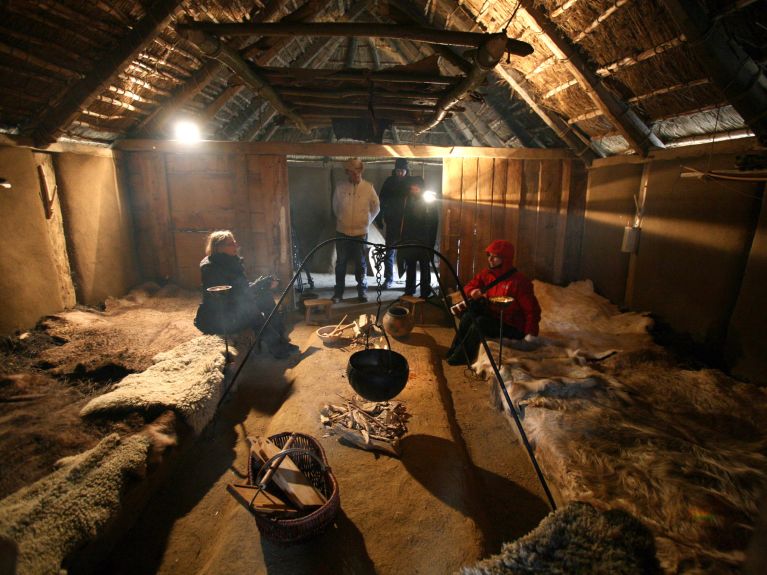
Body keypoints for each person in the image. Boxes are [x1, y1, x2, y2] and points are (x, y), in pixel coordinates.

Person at [194, 230, 298, 359]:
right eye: (230, 244)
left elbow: (240, 289)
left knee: (265, 297)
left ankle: (281, 340)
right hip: (221, 316)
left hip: (232, 307)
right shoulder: (212, 269)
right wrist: (259, 285)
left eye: (235, 242)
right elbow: (232, 297)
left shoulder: (230, 261)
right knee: (251, 311)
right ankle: (277, 348)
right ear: (219, 248)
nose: (236, 246)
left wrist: (261, 284)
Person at [446, 239, 541, 366]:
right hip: (494, 316)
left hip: (512, 325)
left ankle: (462, 357)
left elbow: (532, 311)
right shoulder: (487, 274)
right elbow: (468, 286)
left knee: (479, 323)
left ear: (505, 259)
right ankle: (454, 350)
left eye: (495, 257)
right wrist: (472, 291)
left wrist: (530, 334)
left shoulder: (519, 282)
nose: (490, 259)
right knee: (468, 316)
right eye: (489, 255)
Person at [332, 158, 380, 303]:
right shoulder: (340, 187)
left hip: (360, 233)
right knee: (341, 263)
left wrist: (367, 222)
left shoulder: (368, 187)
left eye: (358, 172)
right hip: (342, 231)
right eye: (353, 172)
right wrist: (342, 218)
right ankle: (338, 293)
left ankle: (362, 291)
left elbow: (376, 207)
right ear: (348, 173)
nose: (356, 175)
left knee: (361, 263)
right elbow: (335, 207)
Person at [399, 176, 439, 298]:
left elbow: (434, 222)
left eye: (416, 187)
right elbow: (403, 220)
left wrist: (431, 241)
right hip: (410, 239)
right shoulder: (407, 200)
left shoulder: (429, 201)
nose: (413, 189)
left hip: (424, 240)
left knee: (424, 266)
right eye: (412, 187)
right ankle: (409, 290)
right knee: (410, 265)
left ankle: (425, 292)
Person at [376, 157, 410, 288]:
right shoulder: (389, 182)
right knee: (389, 251)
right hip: (392, 222)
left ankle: (408, 280)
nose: (400, 173)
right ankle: (388, 279)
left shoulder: (410, 183)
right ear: (394, 170)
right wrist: (380, 217)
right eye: (398, 171)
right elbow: (382, 200)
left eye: (402, 171)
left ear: (406, 171)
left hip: (407, 224)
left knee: (406, 253)